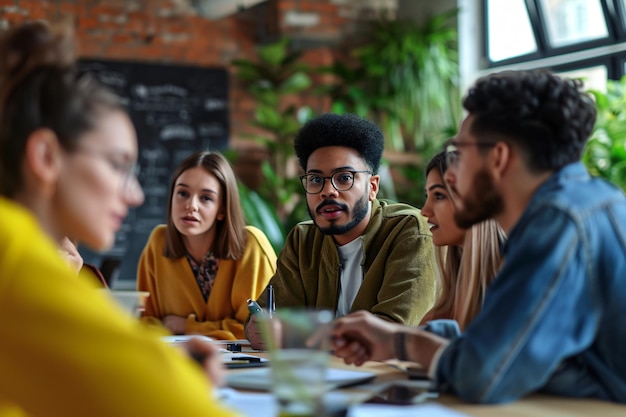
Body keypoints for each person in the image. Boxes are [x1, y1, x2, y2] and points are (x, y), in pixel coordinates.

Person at [331, 69, 626, 404]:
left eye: (459, 153)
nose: (452, 173)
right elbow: (536, 359)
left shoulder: (558, 223)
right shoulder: (597, 202)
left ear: (498, 157)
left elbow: (483, 375)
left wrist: (403, 343)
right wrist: (400, 337)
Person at [0, 21, 238, 416]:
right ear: (46, 157)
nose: (136, 194)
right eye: (117, 165)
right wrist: (169, 381)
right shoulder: (15, 258)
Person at [247, 112, 436, 349]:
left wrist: (293, 333)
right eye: (316, 180)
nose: (328, 191)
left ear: (372, 187)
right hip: (316, 377)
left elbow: (393, 330)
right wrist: (258, 328)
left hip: (384, 380)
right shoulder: (303, 239)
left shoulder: (409, 231)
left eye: (344, 178)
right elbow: (268, 317)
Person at [137, 150, 276, 340]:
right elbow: (145, 322)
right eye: (182, 193)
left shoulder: (251, 246)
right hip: (177, 362)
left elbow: (256, 331)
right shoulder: (158, 241)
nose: (191, 205)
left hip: (244, 365)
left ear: (221, 209)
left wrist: (186, 326)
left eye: (206, 198)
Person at [420, 151, 505, 330]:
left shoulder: (519, 284)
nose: (425, 211)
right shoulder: (443, 311)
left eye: (439, 196)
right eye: (427, 196)